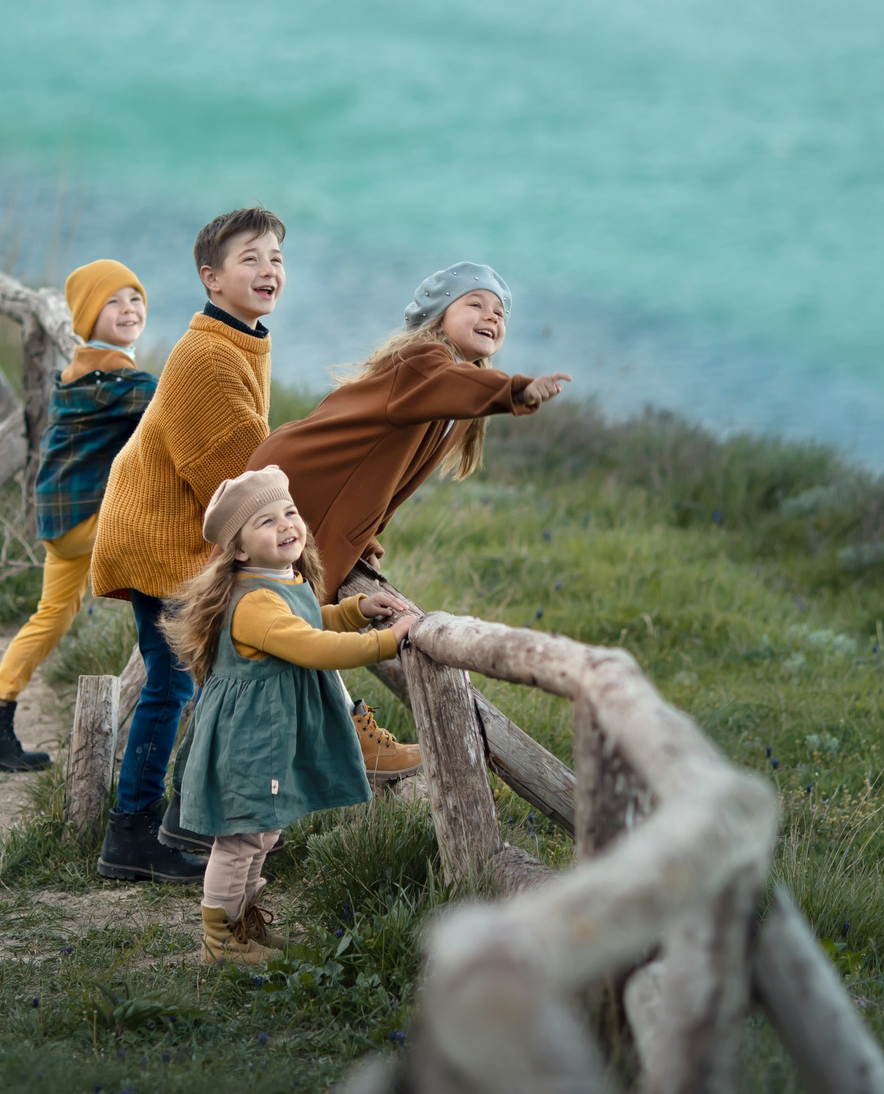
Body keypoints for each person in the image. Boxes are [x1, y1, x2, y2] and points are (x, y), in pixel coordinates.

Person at [246, 262, 569, 771]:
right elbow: (446, 392)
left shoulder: (445, 389)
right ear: (440, 318)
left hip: (303, 488)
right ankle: (346, 735)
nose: (492, 316)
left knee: (280, 632)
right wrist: (516, 392)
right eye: (476, 304)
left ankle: (315, 743)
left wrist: (367, 534)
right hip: (300, 487)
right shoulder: (424, 362)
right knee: (285, 629)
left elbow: (386, 476)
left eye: (501, 311)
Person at [86, 208, 287, 882]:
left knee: (192, 681)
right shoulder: (206, 356)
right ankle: (134, 833)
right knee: (172, 686)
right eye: (250, 259)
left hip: (173, 532)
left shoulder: (240, 341)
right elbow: (235, 482)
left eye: (277, 258)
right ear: (211, 277)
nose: (269, 270)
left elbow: (249, 459)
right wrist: (305, 541)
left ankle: (177, 819)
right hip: (159, 538)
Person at [159, 467, 418, 963]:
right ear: (238, 549)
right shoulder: (253, 601)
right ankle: (220, 940)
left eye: (290, 513)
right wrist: (384, 641)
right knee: (241, 839)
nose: (286, 526)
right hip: (248, 741)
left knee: (264, 831)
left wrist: (356, 610)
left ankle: (243, 925)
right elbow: (310, 645)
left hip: (268, 735)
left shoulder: (279, 579)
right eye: (265, 521)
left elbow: (308, 619)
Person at [0, 259, 152, 773]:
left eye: (135, 298)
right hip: (85, 518)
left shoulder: (82, 365)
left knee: (51, 616)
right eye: (113, 301)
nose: (129, 308)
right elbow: (176, 404)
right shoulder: (118, 378)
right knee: (178, 558)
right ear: (86, 317)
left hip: (59, 520)